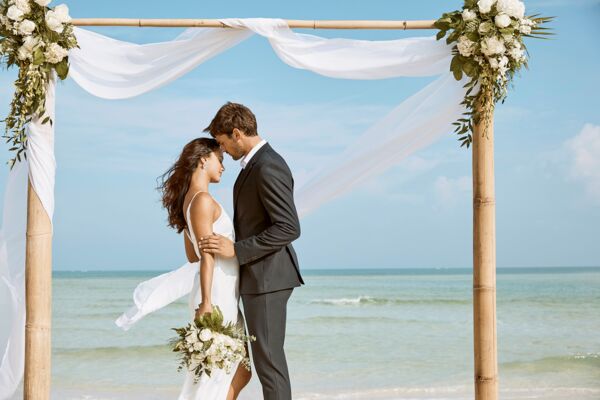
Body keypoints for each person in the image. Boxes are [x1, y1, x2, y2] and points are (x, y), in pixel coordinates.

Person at [199, 102, 304, 400]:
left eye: (222, 143)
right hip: (260, 278)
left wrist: (236, 250)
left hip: (269, 279)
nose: (224, 152)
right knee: (265, 363)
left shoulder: (268, 165)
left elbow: (289, 227)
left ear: (236, 133)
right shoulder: (256, 165)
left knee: (270, 365)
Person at [158, 137, 251, 400]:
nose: (223, 166)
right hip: (216, 296)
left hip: (219, 292)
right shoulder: (202, 200)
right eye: (219, 160)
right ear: (203, 160)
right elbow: (206, 256)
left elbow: (192, 256)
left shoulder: (190, 201)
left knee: (239, 372)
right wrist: (207, 302)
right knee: (219, 377)